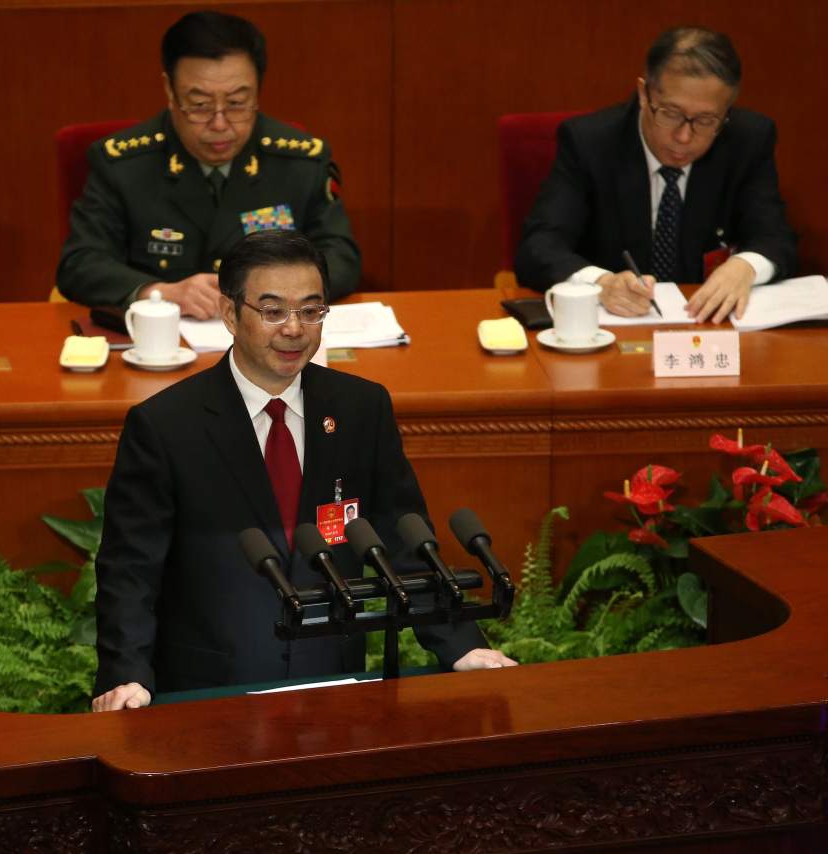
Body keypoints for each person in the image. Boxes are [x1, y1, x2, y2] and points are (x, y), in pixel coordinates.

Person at [92, 231, 513, 712]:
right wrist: (126, 675)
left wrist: (462, 645)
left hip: (333, 686)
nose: (294, 329)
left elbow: (403, 540)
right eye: (272, 311)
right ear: (231, 314)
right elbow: (131, 570)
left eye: (311, 310)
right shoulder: (167, 426)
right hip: (210, 692)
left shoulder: (360, 408)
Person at [56, 11, 361, 319]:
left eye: (236, 103)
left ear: (257, 92)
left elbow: (341, 258)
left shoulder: (299, 162)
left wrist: (271, 296)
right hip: (158, 346)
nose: (219, 123)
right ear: (170, 91)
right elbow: (80, 263)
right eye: (200, 105)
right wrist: (159, 293)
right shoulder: (123, 165)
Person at [514, 26, 797, 323]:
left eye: (705, 120)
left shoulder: (747, 140)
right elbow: (540, 246)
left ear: (726, 113)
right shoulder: (590, 142)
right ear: (643, 93)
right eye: (671, 113)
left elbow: (775, 237)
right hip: (613, 334)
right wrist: (601, 284)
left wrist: (745, 267)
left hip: (707, 334)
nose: (684, 137)